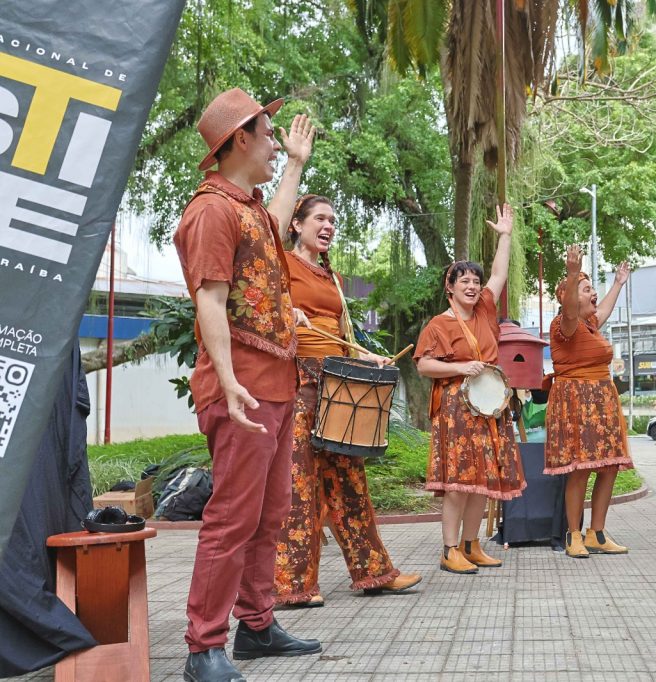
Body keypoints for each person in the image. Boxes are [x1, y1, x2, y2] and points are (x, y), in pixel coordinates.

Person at [173, 88, 321, 681]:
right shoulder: (209, 209)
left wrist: (294, 167)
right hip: (244, 387)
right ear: (240, 138)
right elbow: (208, 297)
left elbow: (273, 231)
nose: (273, 143)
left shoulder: (247, 206)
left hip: (275, 383)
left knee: (270, 510)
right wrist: (230, 381)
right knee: (234, 515)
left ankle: (256, 625)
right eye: (268, 135)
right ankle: (202, 646)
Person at [272, 194, 422, 607]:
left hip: (336, 386)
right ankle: (293, 587)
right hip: (297, 382)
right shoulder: (280, 263)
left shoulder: (332, 277)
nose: (328, 226)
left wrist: (366, 356)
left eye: (333, 221)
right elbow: (262, 307)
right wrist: (288, 310)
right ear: (295, 224)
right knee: (299, 485)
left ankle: (374, 572)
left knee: (350, 481)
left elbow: (344, 335)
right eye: (319, 218)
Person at [414, 205, 525, 574]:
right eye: (464, 281)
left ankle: (471, 544)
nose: (473, 286)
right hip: (456, 410)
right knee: (458, 483)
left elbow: (499, 273)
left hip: (489, 410)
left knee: (482, 482)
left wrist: (505, 235)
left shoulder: (485, 311)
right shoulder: (438, 325)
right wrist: (461, 367)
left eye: (475, 281)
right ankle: (449, 551)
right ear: (450, 287)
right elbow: (423, 365)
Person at [544, 245, 634, 558]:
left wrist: (618, 284)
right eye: (586, 289)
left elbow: (604, 311)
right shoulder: (563, 326)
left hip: (602, 400)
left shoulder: (590, 325)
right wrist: (572, 273)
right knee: (580, 469)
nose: (593, 292)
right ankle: (574, 534)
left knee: (608, 467)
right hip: (575, 402)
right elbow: (570, 311)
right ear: (570, 296)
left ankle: (596, 532)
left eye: (591, 287)